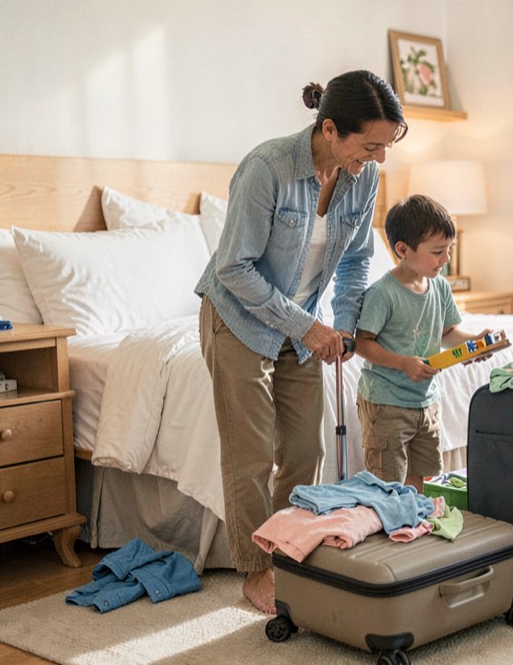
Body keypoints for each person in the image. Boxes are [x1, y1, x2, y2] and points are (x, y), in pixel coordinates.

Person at [195, 71, 407, 614]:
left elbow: (357, 260)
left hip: (303, 322)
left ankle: (291, 550)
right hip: (239, 318)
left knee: (305, 448)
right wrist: (306, 327)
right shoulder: (268, 168)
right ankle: (256, 568)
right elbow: (234, 267)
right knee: (249, 455)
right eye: (370, 145)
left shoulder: (362, 177)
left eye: (388, 144)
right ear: (330, 129)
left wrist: (348, 325)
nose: (380, 157)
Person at [354, 194, 493, 493]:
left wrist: (474, 343)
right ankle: (390, 532)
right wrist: (403, 363)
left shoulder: (440, 286)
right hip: (386, 402)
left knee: (421, 478)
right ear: (403, 249)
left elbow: (447, 332)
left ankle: (414, 530)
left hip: (426, 401)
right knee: (388, 481)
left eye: (449, 250)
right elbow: (362, 344)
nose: (446, 260)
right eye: (438, 252)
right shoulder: (383, 294)